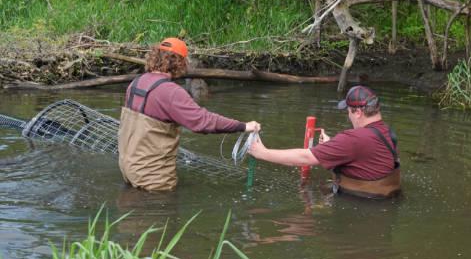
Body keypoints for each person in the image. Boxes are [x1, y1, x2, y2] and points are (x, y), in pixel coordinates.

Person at [118, 37, 260, 191]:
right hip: (153, 179)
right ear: (179, 62)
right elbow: (203, 122)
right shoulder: (171, 92)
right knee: (161, 211)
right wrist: (243, 126)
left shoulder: (136, 83)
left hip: (128, 169)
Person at [249, 85, 400, 199]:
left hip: (361, 203)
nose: (349, 117)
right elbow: (365, 160)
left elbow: (305, 158)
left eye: (348, 112)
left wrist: (263, 153)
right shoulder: (387, 132)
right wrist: (333, 145)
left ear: (358, 112)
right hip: (386, 198)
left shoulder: (353, 139)